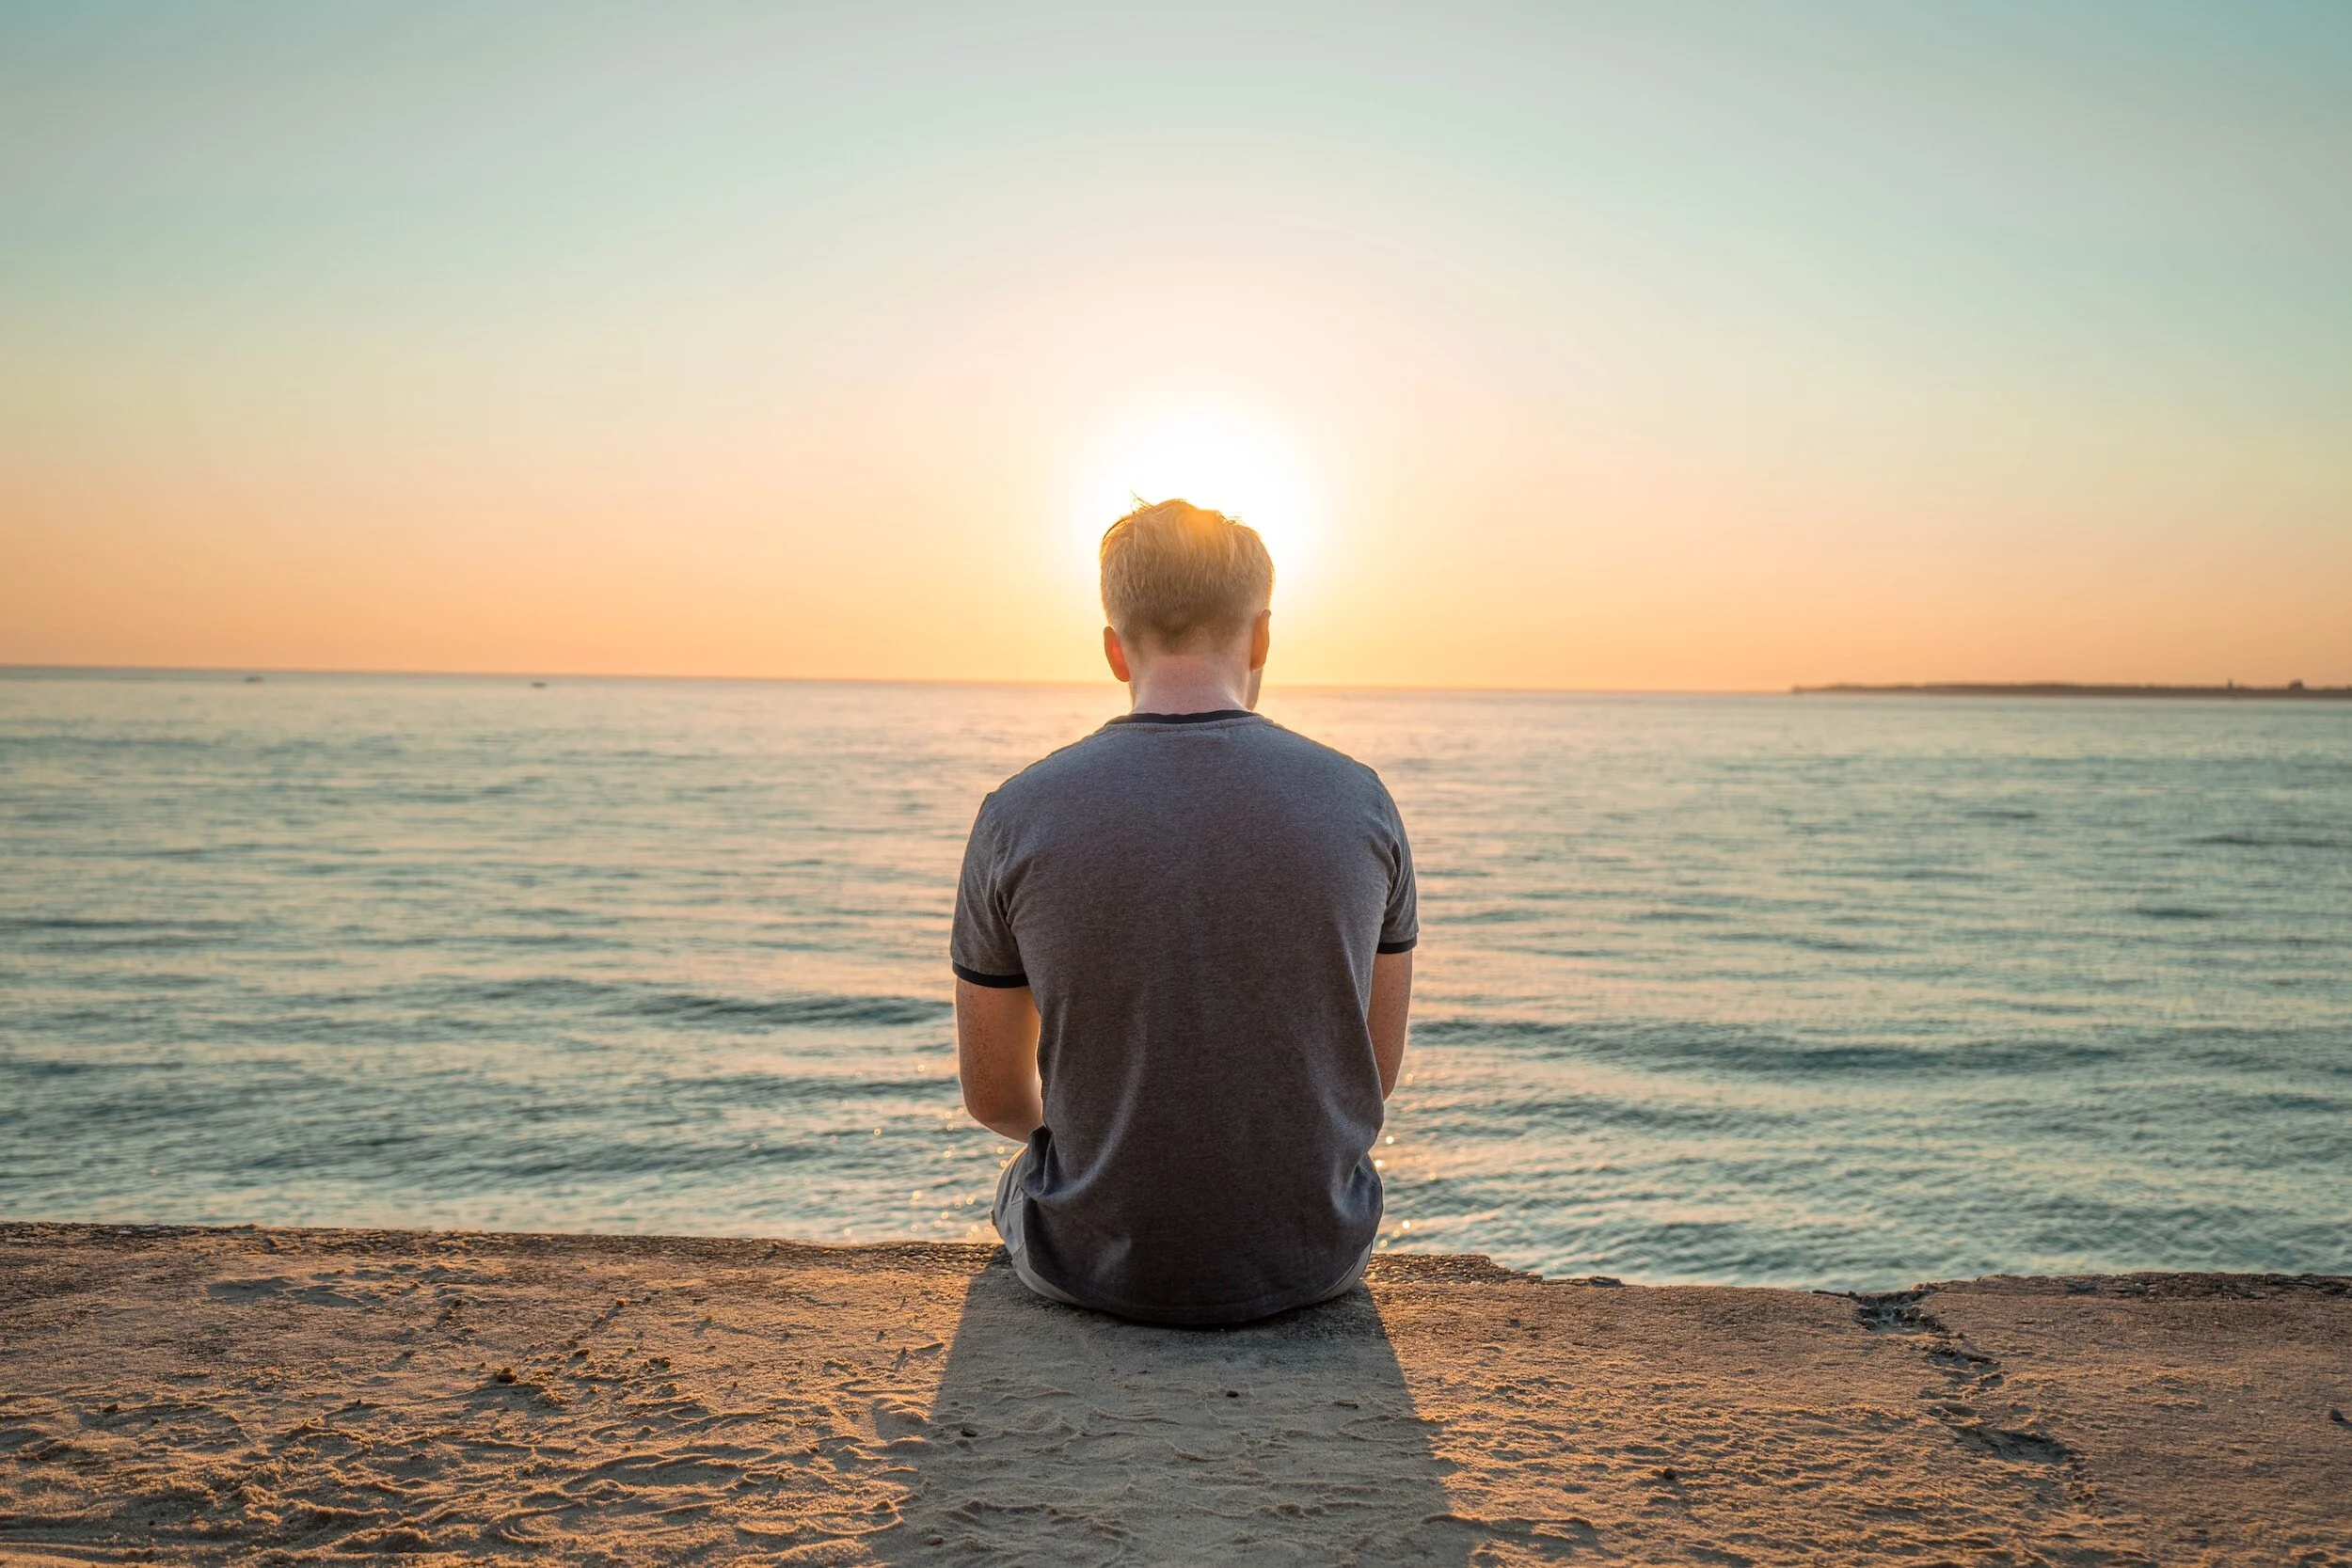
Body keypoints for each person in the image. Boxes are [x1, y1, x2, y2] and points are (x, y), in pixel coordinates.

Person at [950, 499, 1418, 1324]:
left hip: (1090, 1262)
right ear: (1263, 635)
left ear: (1112, 650)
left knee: (1026, 1179)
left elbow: (993, 1095)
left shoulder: (1015, 815)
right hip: (1314, 1256)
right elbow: (1368, 1078)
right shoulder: (1363, 805)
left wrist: (1106, 1137)